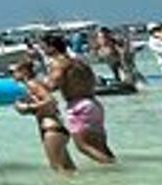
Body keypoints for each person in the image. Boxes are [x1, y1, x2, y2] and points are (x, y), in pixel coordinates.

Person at [44, 33, 116, 165]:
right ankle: (115, 169)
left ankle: (115, 169)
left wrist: (38, 84)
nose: (42, 50)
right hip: (93, 104)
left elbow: (53, 84)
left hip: (78, 106)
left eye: (44, 47)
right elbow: (92, 80)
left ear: (52, 48)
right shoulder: (78, 62)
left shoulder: (59, 63)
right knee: (102, 147)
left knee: (82, 146)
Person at [9, 60, 75, 173]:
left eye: (12, 71)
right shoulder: (32, 84)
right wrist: (29, 109)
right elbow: (46, 106)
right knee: (69, 169)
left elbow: (51, 101)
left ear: (24, 71)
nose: (11, 75)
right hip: (55, 128)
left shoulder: (32, 84)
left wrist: (28, 107)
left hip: (51, 129)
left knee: (58, 169)